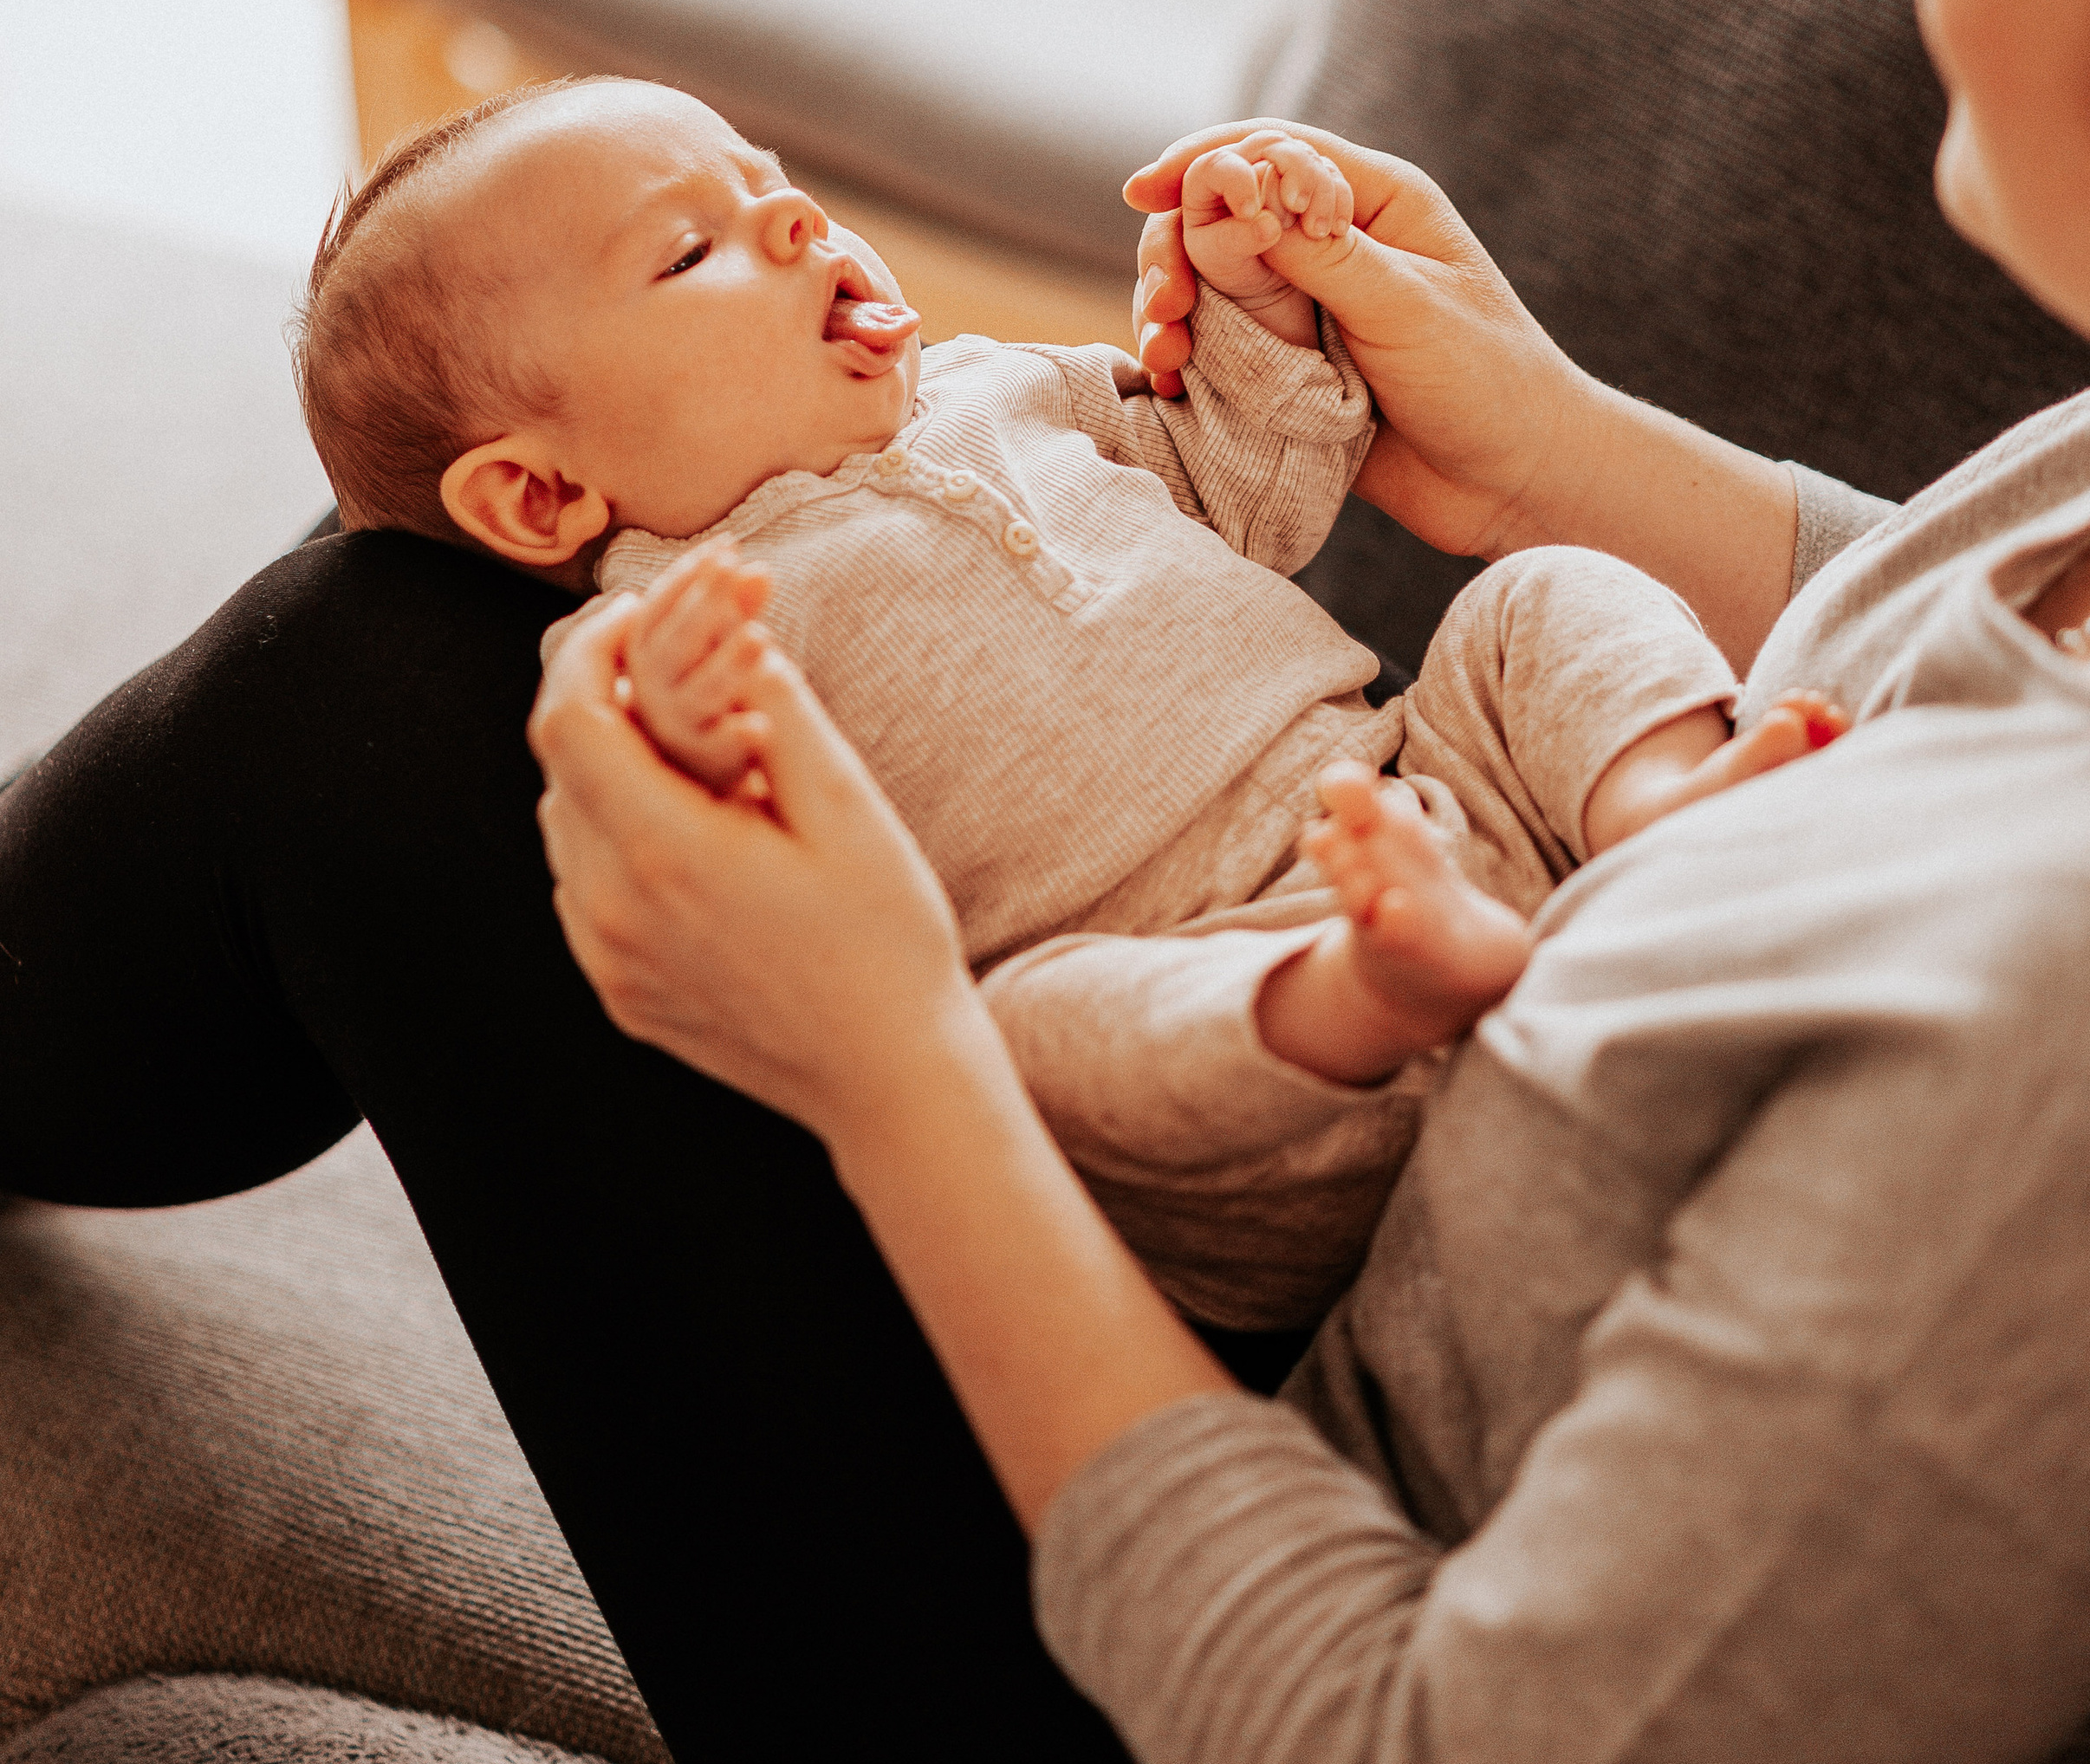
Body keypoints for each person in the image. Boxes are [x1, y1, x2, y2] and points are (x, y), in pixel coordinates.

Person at [3, 0, 2090, 1764]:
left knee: (381, 709)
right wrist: (1550, 454)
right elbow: (1972, 694)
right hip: (1393, 1211)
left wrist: (896, 1062)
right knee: (422, 657)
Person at [286, 77, 1830, 1324]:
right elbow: (685, 888)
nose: (797, 223)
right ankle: (1375, 985)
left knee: (1534, 598)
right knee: (1026, 1039)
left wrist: (1259, 305)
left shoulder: (1006, 388)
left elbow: (1248, 476)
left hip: (1405, 784)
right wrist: (687, 734)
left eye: (774, 184)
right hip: (1195, 1027)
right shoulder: (648, 632)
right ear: (545, 494)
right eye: (692, 252)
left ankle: (1659, 809)